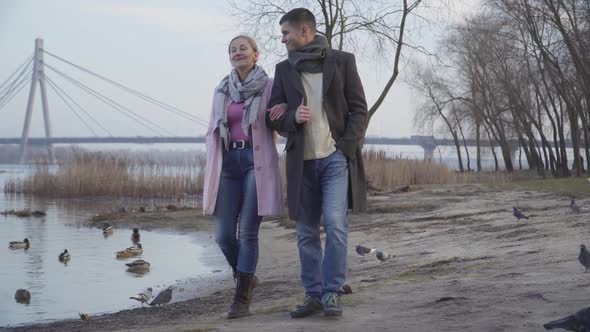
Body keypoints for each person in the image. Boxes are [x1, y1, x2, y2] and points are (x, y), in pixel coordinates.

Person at [266, 8, 368, 318]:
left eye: (286, 33)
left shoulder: (342, 61)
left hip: (335, 160)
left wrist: (345, 148)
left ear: (305, 31)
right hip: (302, 165)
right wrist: (291, 118)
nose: (283, 39)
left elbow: (359, 110)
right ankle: (313, 295)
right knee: (305, 232)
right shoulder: (283, 69)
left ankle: (332, 293)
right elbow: (274, 116)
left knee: (336, 225)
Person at [203, 34, 285, 319]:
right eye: (233, 50)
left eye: (243, 48)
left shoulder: (270, 87)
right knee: (224, 235)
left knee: (247, 232)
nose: (238, 52)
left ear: (256, 55)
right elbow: (212, 128)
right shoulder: (221, 90)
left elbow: (282, 125)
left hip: (255, 162)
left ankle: (241, 299)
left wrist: (284, 113)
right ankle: (247, 276)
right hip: (228, 164)